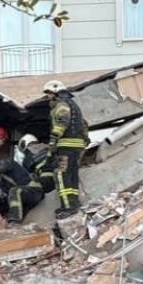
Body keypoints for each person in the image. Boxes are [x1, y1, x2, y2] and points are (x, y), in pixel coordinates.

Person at [44, 80, 89, 218]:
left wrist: (53, 142)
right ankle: (74, 204)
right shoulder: (74, 105)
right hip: (76, 146)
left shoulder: (62, 105)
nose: (47, 97)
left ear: (56, 92)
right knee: (72, 175)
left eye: (49, 94)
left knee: (60, 174)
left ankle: (67, 207)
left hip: (66, 146)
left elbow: (63, 121)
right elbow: (85, 124)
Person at [0, 152, 43, 225]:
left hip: (33, 191)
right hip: (24, 200)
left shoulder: (7, 162)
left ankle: (14, 221)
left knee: (14, 191)